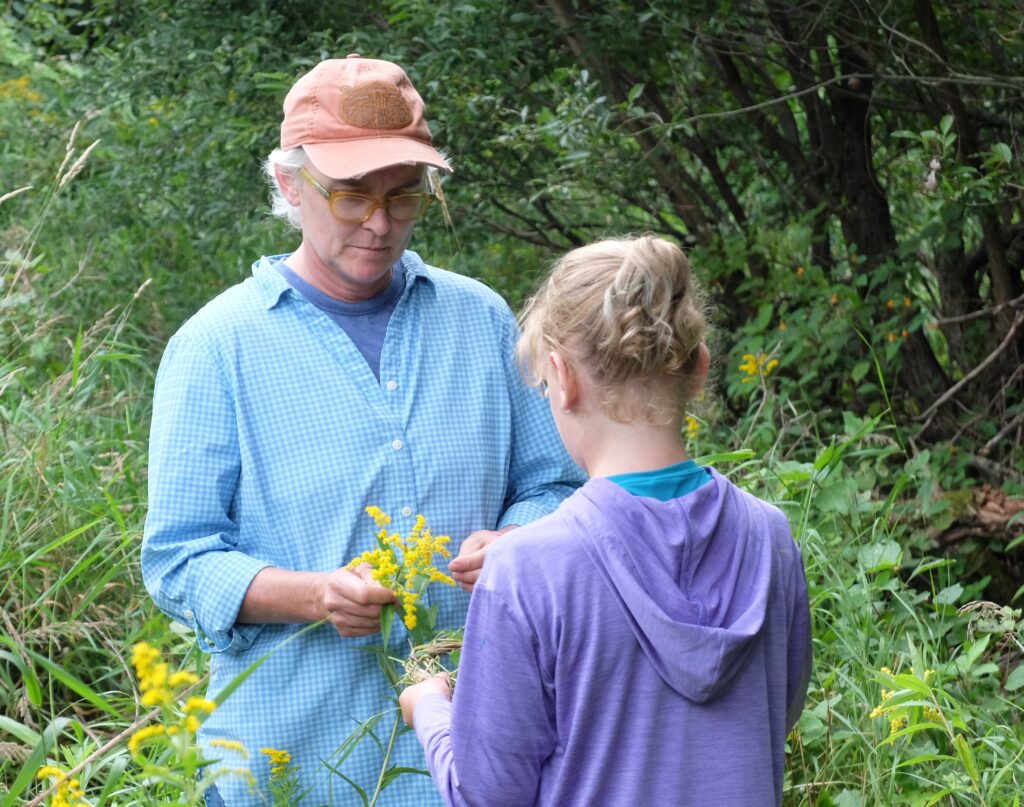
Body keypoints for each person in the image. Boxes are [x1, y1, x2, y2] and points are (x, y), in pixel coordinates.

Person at [141, 55, 583, 806]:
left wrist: (520, 540)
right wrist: (313, 594)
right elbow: (179, 560)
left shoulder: (479, 319)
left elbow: (553, 483)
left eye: (403, 196)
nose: (380, 225)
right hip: (292, 762)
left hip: (472, 756)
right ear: (289, 184)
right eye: (351, 197)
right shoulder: (217, 346)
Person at [400, 235, 814, 806]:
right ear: (699, 368)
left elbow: (487, 796)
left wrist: (430, 711)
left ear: (562, 378)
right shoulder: (770, 537)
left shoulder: (525, 570)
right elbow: (776, 710)